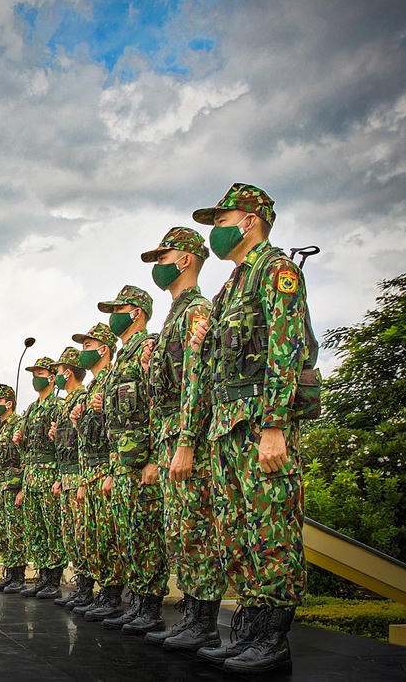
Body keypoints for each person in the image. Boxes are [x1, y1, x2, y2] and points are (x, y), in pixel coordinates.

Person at [191, 184, 318, 673]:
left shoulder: (276, 271)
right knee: (237, 532)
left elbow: (287, 349)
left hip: (259, 422)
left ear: (248, 220)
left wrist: (274, 425)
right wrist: (202, 340)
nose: (216, 232)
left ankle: (272, 637)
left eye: (221, 222)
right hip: (227, 427)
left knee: (272, 529)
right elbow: (219, 363)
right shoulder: (230, 288)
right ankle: (248, 628)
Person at [136, 227, 223, 650]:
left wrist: (187, 441)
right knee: (180, 531)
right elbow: (161, 395)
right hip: (171, 437)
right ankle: (193, 616)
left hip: (191, 439)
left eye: (163, 257)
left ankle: (204, 621)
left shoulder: (196, 310)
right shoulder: (173, 317)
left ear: (185, 259)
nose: (158, 266)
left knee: (196, 529)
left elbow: (196, 382)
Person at [91, 285, 166, 633]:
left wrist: (155, 459)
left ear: (136, 313)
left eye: (117, 310)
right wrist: (111, 469)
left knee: (147, 537)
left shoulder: (148, 349)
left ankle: (150, 606)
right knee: (128, 538)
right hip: (122, 466)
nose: (113, 317)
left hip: (143, 464)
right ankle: (136, 602)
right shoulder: (122, 360)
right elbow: (115, 426)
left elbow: (159, 404)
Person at [70, 323, 119, 616]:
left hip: (106, 469)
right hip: (89, 472)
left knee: (110, 537)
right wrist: (79, 422)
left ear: (103, 349)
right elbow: (89, 439)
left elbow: (121, 428)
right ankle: (102, 592)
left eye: (87, 346)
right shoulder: (91, 389)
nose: (83, 351)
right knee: (93, 538)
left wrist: (112, 470)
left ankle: (113, 596)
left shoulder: (113, 379)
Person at [13, 356, 64, 598]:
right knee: (36, 530)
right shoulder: (32, 409)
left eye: (39, 374)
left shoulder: (57, 406)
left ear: (52, 378)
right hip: (31, 477)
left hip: (49, 474)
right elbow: (28, 451)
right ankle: (43, 576)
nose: (35, 379)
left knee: (53, 528)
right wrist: (20, 442)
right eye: (33, 375)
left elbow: (62, 445)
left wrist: (59, 477)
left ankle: (54, 579)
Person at [49, 346, 90, 607]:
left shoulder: (82, 399)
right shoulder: (65, 406)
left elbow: (87, 444)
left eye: (59, 371)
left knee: (83, 536)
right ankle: (81, 587)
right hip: (66, 477)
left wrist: (83, 479)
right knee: (71, 537)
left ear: (69, 373)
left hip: (79, 477)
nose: (56, 377)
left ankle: (87, 589)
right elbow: (64, 447)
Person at [0, 384, 27, 593]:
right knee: (2, 533)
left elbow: (25, 457)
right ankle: (9, 573)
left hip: (12, 487)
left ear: (9, 403)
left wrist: (22, 489)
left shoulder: (18, 424)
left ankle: (19, 576)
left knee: (15, 531)